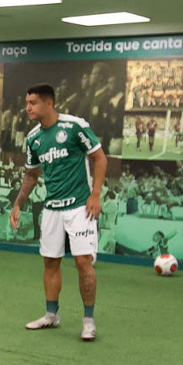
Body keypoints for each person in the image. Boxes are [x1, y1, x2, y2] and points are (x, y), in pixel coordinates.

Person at [9, 84, 108, 341]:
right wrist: (18, 203)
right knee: (50, 262)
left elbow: (99, 158)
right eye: (27, 102)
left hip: (80, 207)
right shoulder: (33, 138)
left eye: (33, 102)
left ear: (49, 103)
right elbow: (31, 175)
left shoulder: (74, 126)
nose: (27, 107)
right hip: (52, 208)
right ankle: (51, 315)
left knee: (82, 262)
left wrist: (95, 194)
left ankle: (88, 321)